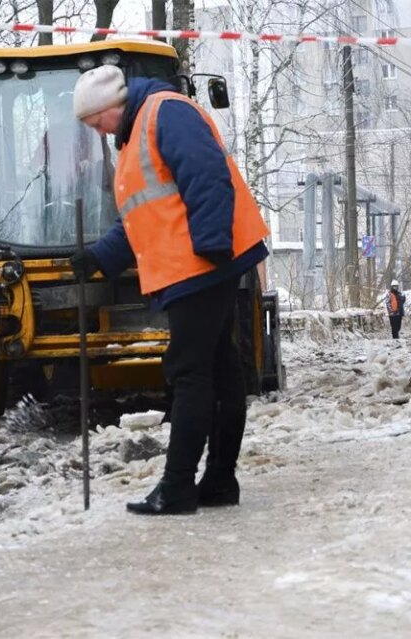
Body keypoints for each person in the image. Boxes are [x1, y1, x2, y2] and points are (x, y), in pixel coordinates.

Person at [68, 65, 270, 515]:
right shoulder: (135, 136)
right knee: (217, 371)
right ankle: (218, 480)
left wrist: (213, 244)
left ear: (109, 107)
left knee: (188, 371)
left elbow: (206, 174)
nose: (95, 131)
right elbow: (142, 217)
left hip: (201, 264)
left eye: (93, 121)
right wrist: (100, 257)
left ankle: (178, 487)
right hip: (193, 267)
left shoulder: (166, 112)